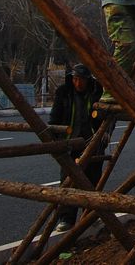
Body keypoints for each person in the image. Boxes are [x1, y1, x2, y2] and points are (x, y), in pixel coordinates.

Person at [49, 63, 104, 232]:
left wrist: (104, 134)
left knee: (92, 180)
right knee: (68, 181)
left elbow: (106, 115)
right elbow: (55, 116)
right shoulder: (64, 93)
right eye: (75, 79)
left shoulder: (96, 92)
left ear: (88, 80)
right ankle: (67, 218)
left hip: (91, 141)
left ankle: (90, 215)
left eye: (81, 80)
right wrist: (55, 137)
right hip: (70, 142)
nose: (78, 83)